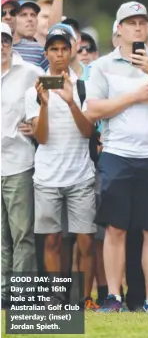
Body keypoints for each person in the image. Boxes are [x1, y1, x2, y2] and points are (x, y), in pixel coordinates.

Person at [86, 1, 148, 313]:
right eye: (130, 22)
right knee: (115, 228)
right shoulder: (103, 65)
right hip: (117, 154)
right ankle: (114, 296)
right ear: (119, 29)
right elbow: (93, 110)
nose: (137, 27)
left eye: (142, 22)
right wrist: (133, 97)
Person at [24, 26, 98, 308]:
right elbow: (41, 138)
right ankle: (55, 297)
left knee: (86, 241)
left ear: (71, 51)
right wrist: (44, 104)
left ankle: (84, 298)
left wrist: (70, 102)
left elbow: (88, 131)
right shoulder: (34, 91)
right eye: (53, 49)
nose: (58, 54)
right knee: (52, 241)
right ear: (46, 54)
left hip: (80, 174)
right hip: (47, 175)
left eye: (63, 49)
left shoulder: (82, 86)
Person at [1, 23, 42, 308]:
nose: (1, 45)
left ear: (11, 41)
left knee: (22, 235)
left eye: (4, 39)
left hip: (19, 162)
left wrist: (35, 123)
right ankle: (4, 294)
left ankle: (22, 295)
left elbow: (55, 92)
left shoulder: (30, 72)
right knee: (1, 238)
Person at [13, 0, 49, 71]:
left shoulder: (40, 50)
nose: (30, 19)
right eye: (23, 15)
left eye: (33, 15)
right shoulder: (4, 46)